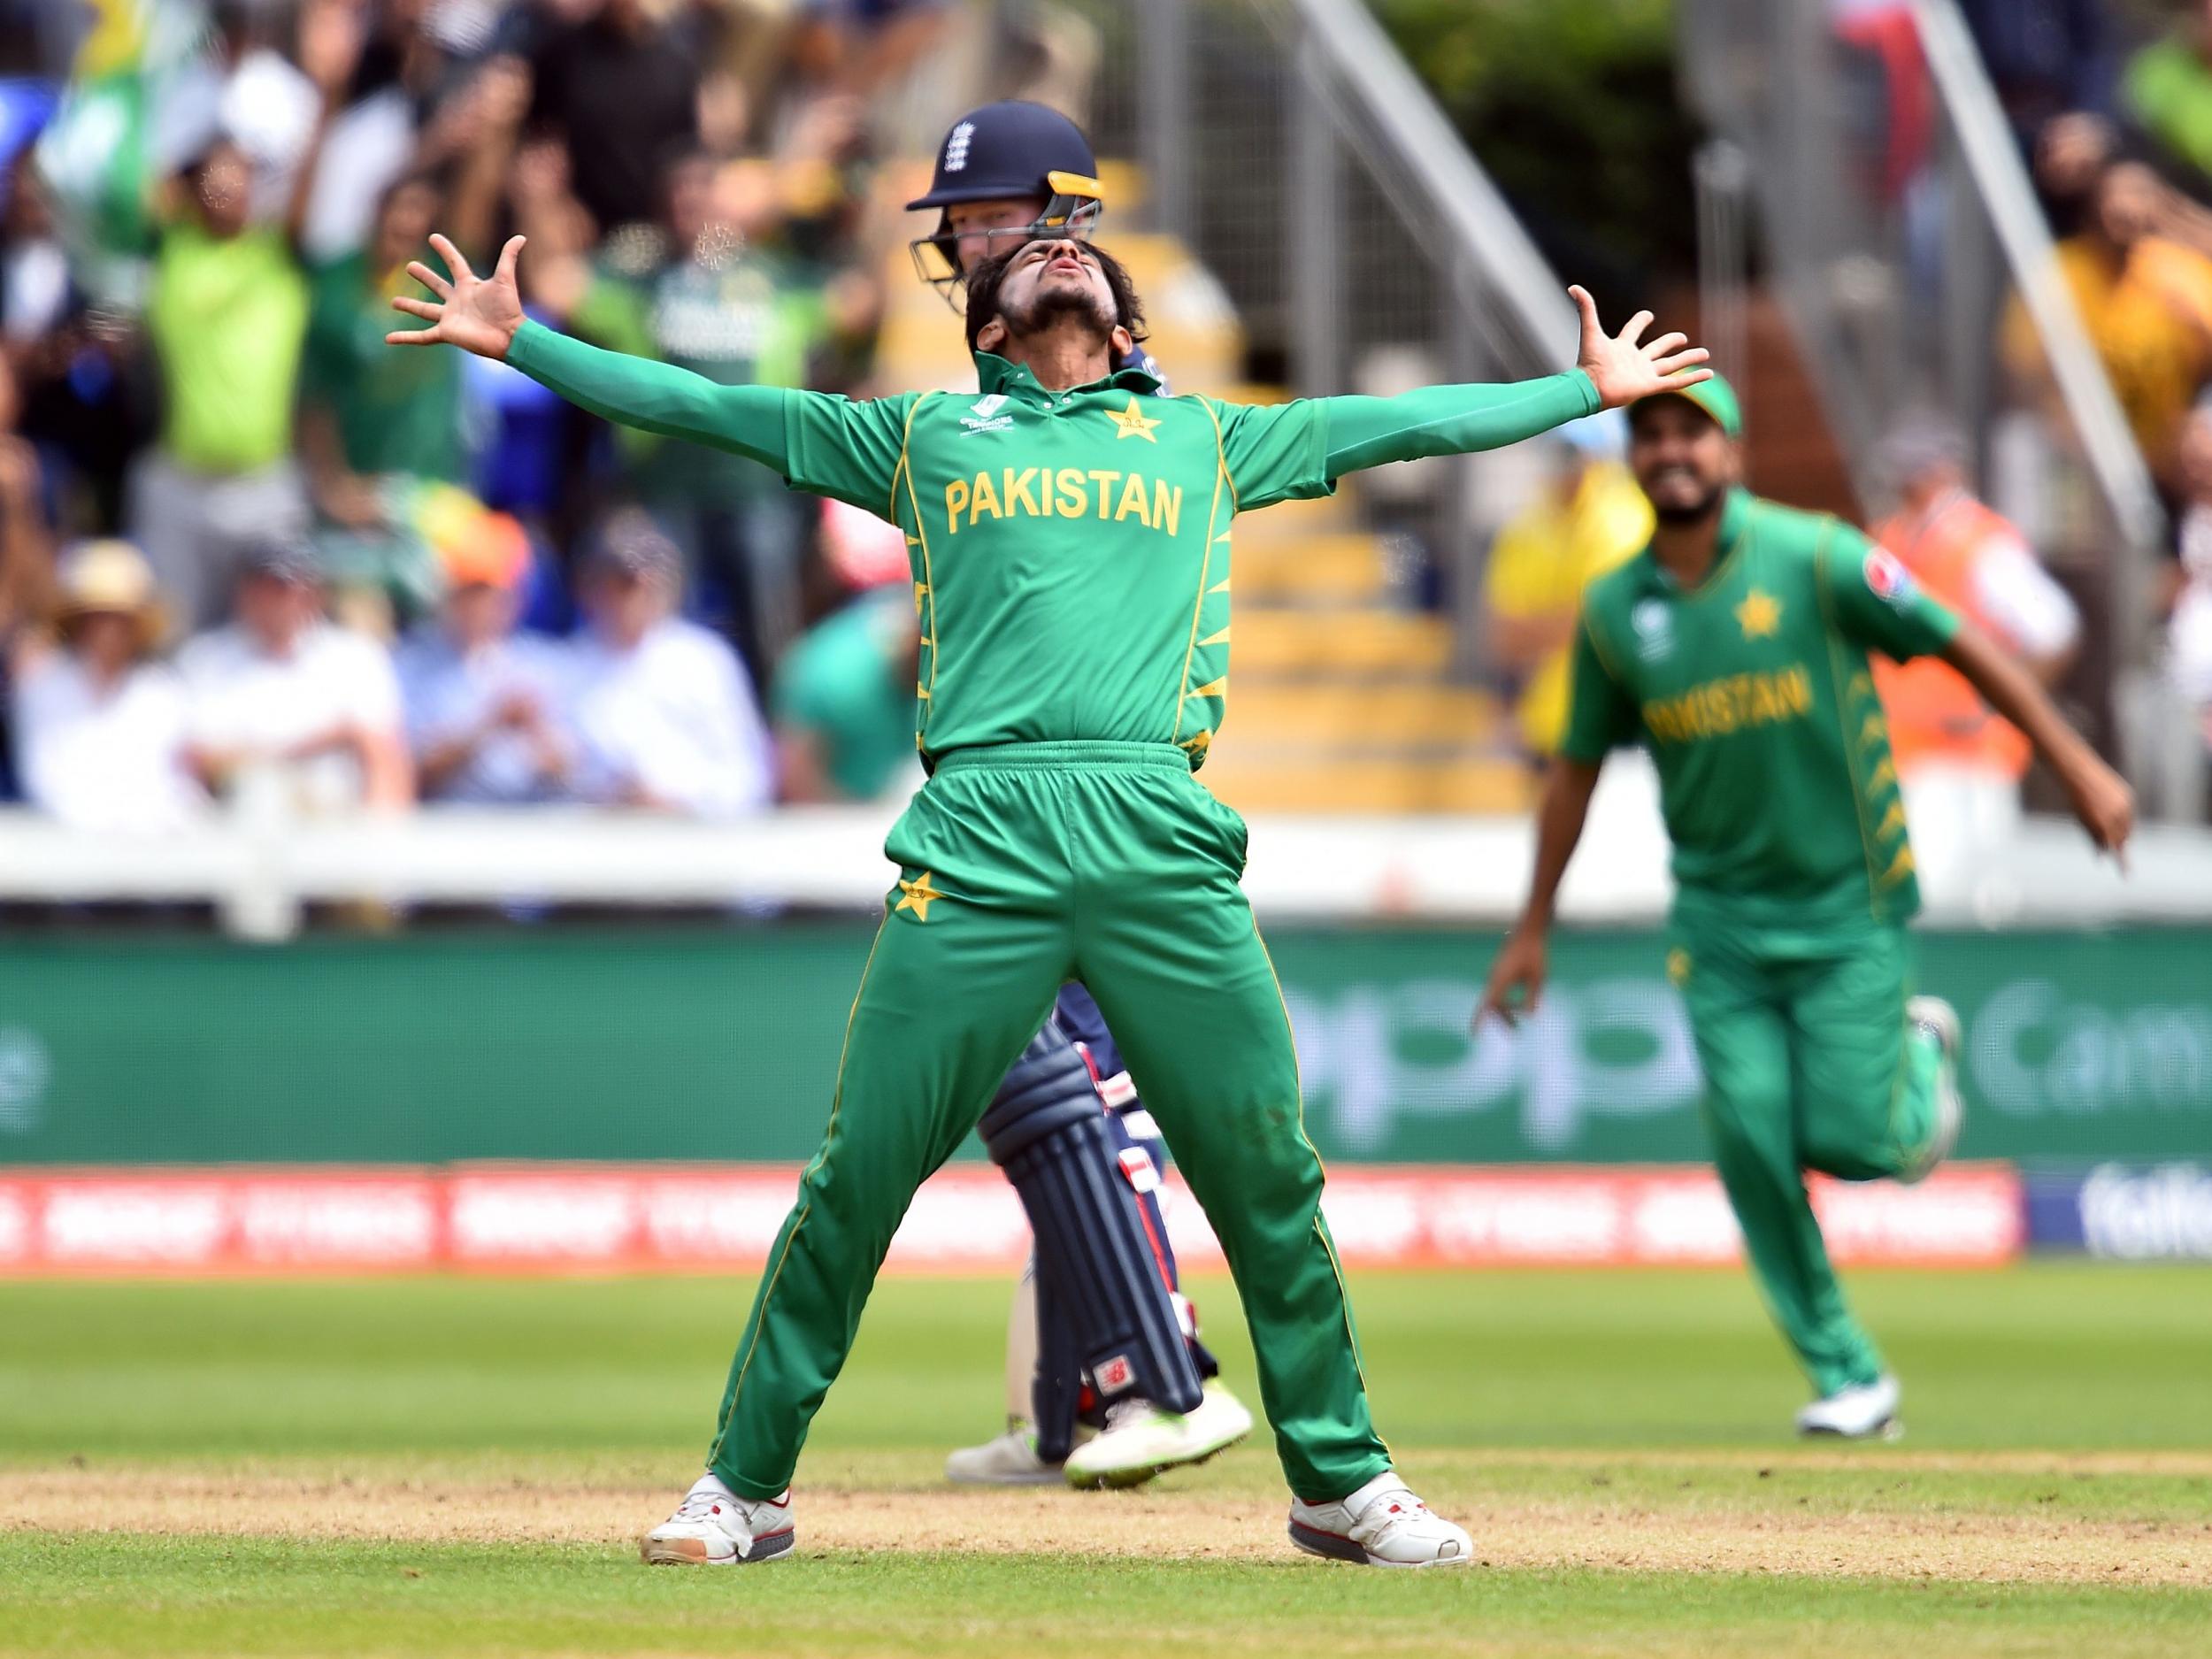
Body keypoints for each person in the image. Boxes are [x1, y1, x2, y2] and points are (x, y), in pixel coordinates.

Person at [388, 216, 1709, 1564]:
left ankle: (1340, 1482)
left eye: (1085, 252)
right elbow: (712, 407)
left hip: (1159, 832)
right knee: (858, 1176)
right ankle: (743, 1486)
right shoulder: (925, 437)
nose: (1061, 247)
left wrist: (1582, 392)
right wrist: (527, 343)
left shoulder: (1205, 435)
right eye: (1031, 257)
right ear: (991, 328)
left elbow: (1410, 424)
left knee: (1268, 1175)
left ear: (1128, 329)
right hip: (982, 840)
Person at [1477, 376, 2133, 1440]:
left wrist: (2080, 764)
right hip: (1718, 924)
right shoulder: (1615, 610)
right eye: (1651, 435)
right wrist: (1531, 923)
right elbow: (1574, 771)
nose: (1671, 451)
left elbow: (1963, 642)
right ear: (1633, 459)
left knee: (1858, 1144)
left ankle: (1916, 1060)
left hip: (1845, 904)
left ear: (1730, 453)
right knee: (1748, 1138)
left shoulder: (1816, 557)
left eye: (1693, 432)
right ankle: (1847, 1374)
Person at [902, 100, 1245, 1492]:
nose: (958, 250)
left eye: (973, 223)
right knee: (1054, 1093)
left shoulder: (1119, 390)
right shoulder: (1008, 385)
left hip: (1102, 805)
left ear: (1049, 218)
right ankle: (1067, 1409)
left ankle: (1168, 1372)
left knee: (1079, 1089)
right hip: (1024, 791)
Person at [127, 0, 361, 631]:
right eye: (217, 170)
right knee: (174, 639)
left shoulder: (279, 255)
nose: (230, 182)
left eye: (244, 170)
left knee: (274, 640)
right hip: (179, 483)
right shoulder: (172, 251)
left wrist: (329, 88)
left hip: (266, 487)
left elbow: (309, 179)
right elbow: (153, 182)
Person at [1869, 419, 2081, 887]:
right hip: (1903, 754)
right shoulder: (1893, 537)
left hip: (1966, 760)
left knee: (1970, 911)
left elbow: (2053, 631)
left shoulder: (1980, 542)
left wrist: (2000, 705)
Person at [2001, 157, 2212, 492]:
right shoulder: (2061, 275)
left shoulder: (2180, 274)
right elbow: (2023, 373)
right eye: (2117, 194)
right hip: (2081, 464)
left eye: (2140, 194)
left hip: (2171, 468)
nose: (2126, 208)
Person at [559, 511, 773, 819]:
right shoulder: (560, 667)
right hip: (593, 847)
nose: (630, 595)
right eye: (618, 581)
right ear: (586, 586)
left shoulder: (705, 662)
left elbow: (749, 779)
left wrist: (674, 797)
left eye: (640, 580)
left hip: (690, 845)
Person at [177, 541, 412, 815]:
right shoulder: (204, 660)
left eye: (287, 588)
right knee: (261, 791)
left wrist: (381, 838)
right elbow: (197, 757)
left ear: (314, 594)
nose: (277, 600)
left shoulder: (357, 657)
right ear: (243, 592)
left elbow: (385, 756)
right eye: (265, 588)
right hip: (232, 819)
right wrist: (318, 742)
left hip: (341, 820)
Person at [1482, 411, 1653, 760]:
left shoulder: (1624, 517)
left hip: (1619, 727)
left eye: (1577, 453)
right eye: (1560, 453)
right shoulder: (1529, 525)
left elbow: (1602, 621)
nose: (1569, 467)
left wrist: (1538, 626)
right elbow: (1502, 637)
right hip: (1550, 727)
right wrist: (1568, 620)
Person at [10, 539, 202, 833]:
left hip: (151, 852)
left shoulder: (163, 693)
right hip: (61, 851)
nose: (107, 630)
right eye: (98, 617)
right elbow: (43, 779)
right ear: (80, 622)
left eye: (118, 618)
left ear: (136, 625)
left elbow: (173, 783)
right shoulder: (41, 688)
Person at [396, 508, 570, 806]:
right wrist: (490, 725)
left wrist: (535, 728)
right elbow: (410, 776)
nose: (476, 605)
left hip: (532, 827)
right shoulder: (410, 664)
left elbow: (569, 773)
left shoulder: (545, 663)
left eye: (486, 592)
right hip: (444, 829)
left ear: (515, 598)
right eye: (465, 590)